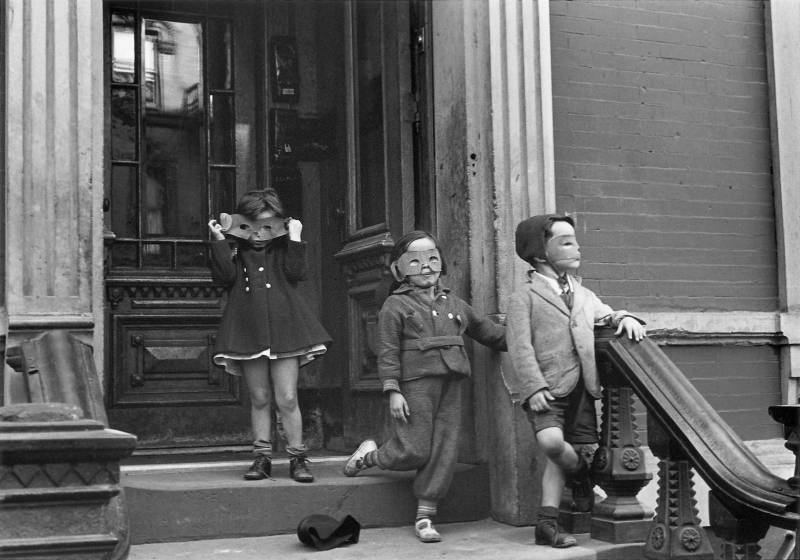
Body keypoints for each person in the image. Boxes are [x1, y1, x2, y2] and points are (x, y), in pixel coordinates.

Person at [342, 231, 506, 543]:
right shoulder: (395, 305)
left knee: (444, 448)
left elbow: (488, 332)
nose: (426, 267)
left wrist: (527, 339)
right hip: (415, 384)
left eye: (431, 258)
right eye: (415, 261)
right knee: (415, 448)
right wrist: (393, 390)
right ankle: (371, 457)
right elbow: (387, 351)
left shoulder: (455, 303)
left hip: (452, 381)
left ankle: (425, 515)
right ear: (399, 270)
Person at [504, 214, 646, 548]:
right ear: (541, 253)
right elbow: (519, 346)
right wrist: (533, 387)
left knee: (571, 451)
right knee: (553, 444)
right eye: (566, 242)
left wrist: (622, 317)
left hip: (582, 386)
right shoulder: (523, 297)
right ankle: (581, 478)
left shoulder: (582, 293)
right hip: (546, 388)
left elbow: (603, 313)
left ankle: (547, 524)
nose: (576, 247)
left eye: (575, 240)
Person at [208, 189, 331, 483]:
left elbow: (296, 273)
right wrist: (219, 241)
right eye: (250, 226)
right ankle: (261, 458)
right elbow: (224, 277)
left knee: (287, 397)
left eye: (266, 226)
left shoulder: (282, 247)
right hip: (248, 329)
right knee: (260, 397)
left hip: (285, 329)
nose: (258, 235)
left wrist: (296, 237)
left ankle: (297, 458)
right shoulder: (236, 250)